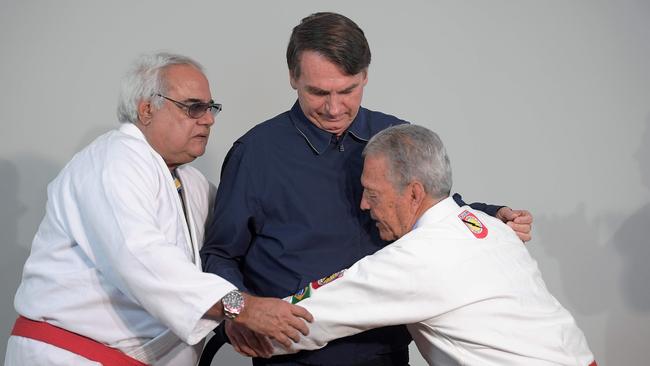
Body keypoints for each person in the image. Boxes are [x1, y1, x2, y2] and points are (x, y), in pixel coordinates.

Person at [200, 12, 532, 366]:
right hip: (294, 357)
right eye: (318, 92)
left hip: (387, 353)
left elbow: (434, 211)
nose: (333, 108)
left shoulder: (395, 135)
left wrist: (493, 215)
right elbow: (219, 256)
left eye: (348, 90)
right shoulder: (254, 154)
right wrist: (237, 311)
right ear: (293, 78)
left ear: (366, 76)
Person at [4, 52, 312, 366]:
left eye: (210, 108)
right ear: (147, 109)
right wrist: (241, 308)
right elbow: (141, 258)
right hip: (71, 357)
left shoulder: (189, 182)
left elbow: (234, 245)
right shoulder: (114, 160)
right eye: (194, 107)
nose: (208, 119)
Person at [276, 124, 596, 366]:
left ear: (414, 194)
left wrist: (231, 308)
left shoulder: (420, 258)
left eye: (373, 194)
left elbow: (302, 321)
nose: (363, 205)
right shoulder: (484, 225)